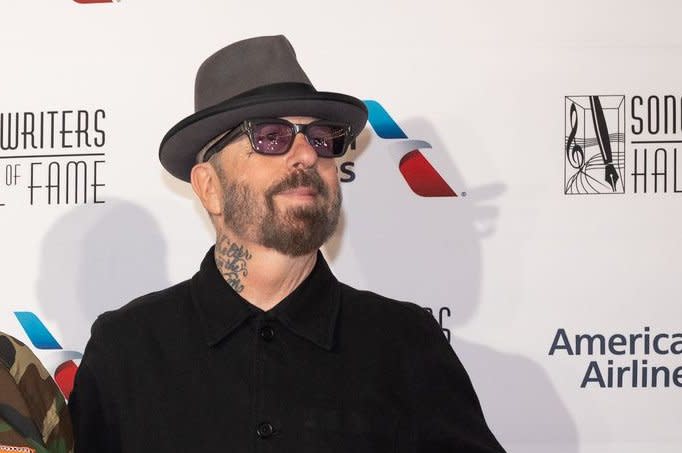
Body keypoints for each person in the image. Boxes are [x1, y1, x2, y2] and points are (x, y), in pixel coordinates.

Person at [68, 35, 506, 452]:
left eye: (322, 139)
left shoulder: (406, 346)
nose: (307, 154)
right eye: (271, 136)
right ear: (209, 187)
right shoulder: (127, 350)